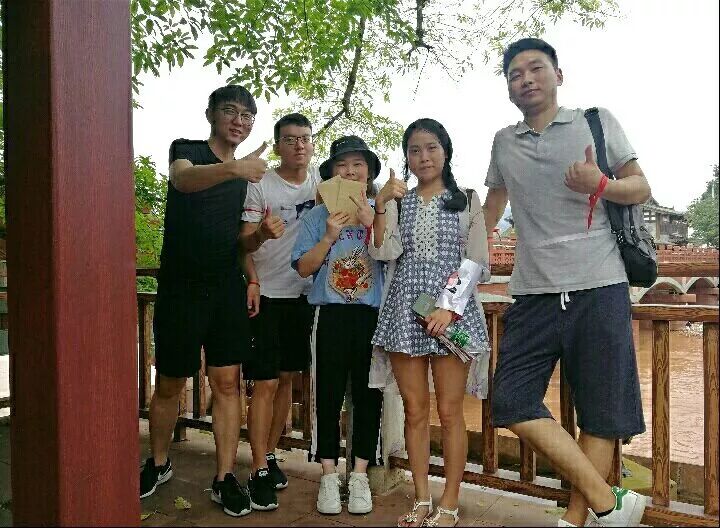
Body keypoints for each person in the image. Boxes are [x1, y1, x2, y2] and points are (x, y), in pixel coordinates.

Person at [483, 38, 651, 527]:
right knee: (511, 400)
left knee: (601, 414)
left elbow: (641, 186)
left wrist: (600, 184)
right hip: (533, 291)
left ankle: (575, 521)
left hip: (599, 285)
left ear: (558, 75)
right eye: (515, 74)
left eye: (536, 68)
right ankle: (609, 502)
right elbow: (491, 210)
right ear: (509, 88)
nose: (526, 79)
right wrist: (457, 260)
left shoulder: (595, 122)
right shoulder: (503, 142)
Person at [139, 85, 284, 518]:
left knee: (227, 383)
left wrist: (259, 245)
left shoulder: (248, 179)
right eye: (230, 112)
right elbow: (182, 180)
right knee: (170, 381)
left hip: (226, 289)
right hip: (181, 288)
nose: (239, 121)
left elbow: (242, 242)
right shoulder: (187, 151)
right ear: (211, 115)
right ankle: (159, 462)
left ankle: (224, 477)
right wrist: (236, 168)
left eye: (247, 115)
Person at [370, 118, 491, 527]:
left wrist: (448, 308)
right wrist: (380, 205)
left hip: (452, 315)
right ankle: (421, 498)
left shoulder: (466, 199)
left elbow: (476, 260)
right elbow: (383, 253)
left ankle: (450, 502)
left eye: (431, 147)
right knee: (415, 410)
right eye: (415, 150)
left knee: (451, 412)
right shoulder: (397, 201)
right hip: (404, 312)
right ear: (406, 157)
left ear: (446, 151)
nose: (423, 157)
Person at [291, 136, 385, 516]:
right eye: (342, 165)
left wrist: (373, 224)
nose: (350, 171)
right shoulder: (316, 217)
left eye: (357, 164)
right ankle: (329, 475)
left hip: (371, 316)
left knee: (369, 395)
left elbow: (394, 258)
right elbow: (303, 268)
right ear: (331, 173)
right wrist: (330, 235)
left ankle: (359, 474)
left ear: (369, 173)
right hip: (328, 315)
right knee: (326, 395)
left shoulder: (381, 212)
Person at [240, 113, 320, 511]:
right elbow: (242, 243)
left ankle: (268, 453)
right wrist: (260, 235)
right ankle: (256, 469)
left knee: (288, 378)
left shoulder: (321, 183)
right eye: (290, 139)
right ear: (277, 146)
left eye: (305, 138)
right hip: (268, 295)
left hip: (305, 295)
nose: (299, 145)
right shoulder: (261, 184)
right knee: (265, 383)